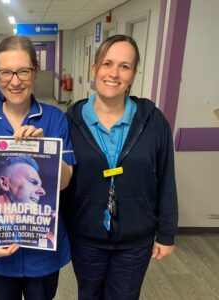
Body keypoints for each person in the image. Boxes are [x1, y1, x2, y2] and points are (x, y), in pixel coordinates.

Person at [0, 35, 76, 300]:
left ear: (36, 71)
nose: (15, 81)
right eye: (6, 72)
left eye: (23, 71)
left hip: (43, 252)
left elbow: (65, 181)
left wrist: (46, 152)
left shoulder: (54, 118)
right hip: (1, 249)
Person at [63, 34, 178, 299]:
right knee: (89, 294)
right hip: (85, 235)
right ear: (94, 69)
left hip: (136, 238)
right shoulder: (70, 121)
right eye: (107, 64)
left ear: (133, 75)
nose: (114, 73)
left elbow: (166, 178)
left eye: (124, 66)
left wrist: (167, 232)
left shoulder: (152, 120)